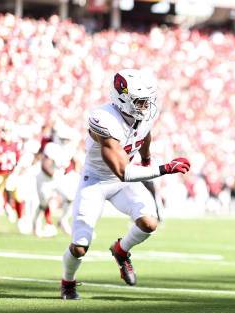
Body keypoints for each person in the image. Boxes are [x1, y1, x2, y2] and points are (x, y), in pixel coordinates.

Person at [60, 69, 191, 300]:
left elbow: (144, 133)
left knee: (149, 223)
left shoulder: (145, 114)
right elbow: (122, 172)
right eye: (140, 101)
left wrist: (147, 158)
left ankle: (121, 251)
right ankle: (67, 283)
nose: (146, 106)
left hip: (123, 179)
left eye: (147, 101)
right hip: (97, 181)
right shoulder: (103, 119)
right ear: (122, 99)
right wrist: (163, 168)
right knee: (80, 246)